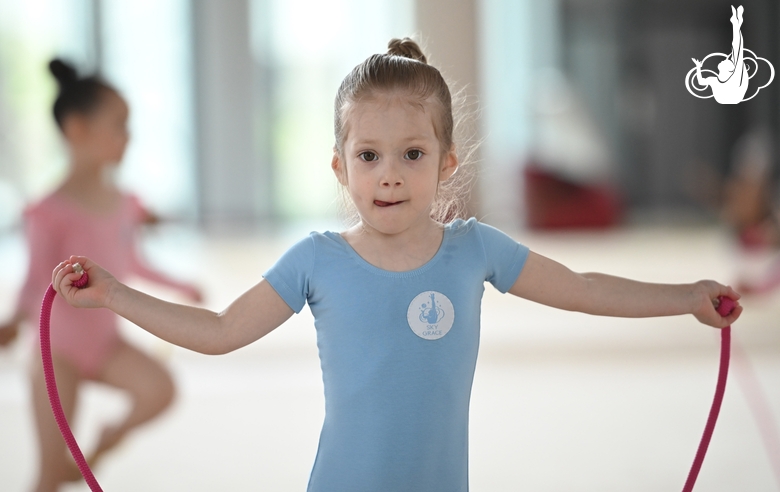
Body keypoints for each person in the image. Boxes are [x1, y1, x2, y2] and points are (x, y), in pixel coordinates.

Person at [50, 39, 742, 492]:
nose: (388, 175)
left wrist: (685, 295)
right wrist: (113, 294)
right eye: (369, 155)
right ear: (340, 166)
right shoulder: (316, 260)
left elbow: (585, 288)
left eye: (412, 154)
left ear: (445, 164)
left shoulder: (475, 250)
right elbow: (220, 330)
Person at [0, 59, 200, 492]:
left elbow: (133, 264)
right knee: (49, 475)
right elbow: (35, 281)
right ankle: (60, 468)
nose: (128, 137)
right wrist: (14, 322)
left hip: (105, 344)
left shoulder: (125, 203)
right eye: (118, 125)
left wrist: (182, 285)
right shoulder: (47, 211)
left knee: (161, 390)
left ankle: (106, 441)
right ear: (76, 130)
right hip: (58, 354)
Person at [692, 5, 748, 104]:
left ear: (729, 70)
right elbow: (701, 82)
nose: (725, 59)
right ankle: (736, 23)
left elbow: (737, 49)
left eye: (728, 61)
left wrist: (736, 25)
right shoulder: (716, 80)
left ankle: (736, 23)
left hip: (733, 95)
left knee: (737, 50)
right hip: (730, 96)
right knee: (736, 50)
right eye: (729, 61)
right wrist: (698, 67)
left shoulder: (733, 78)